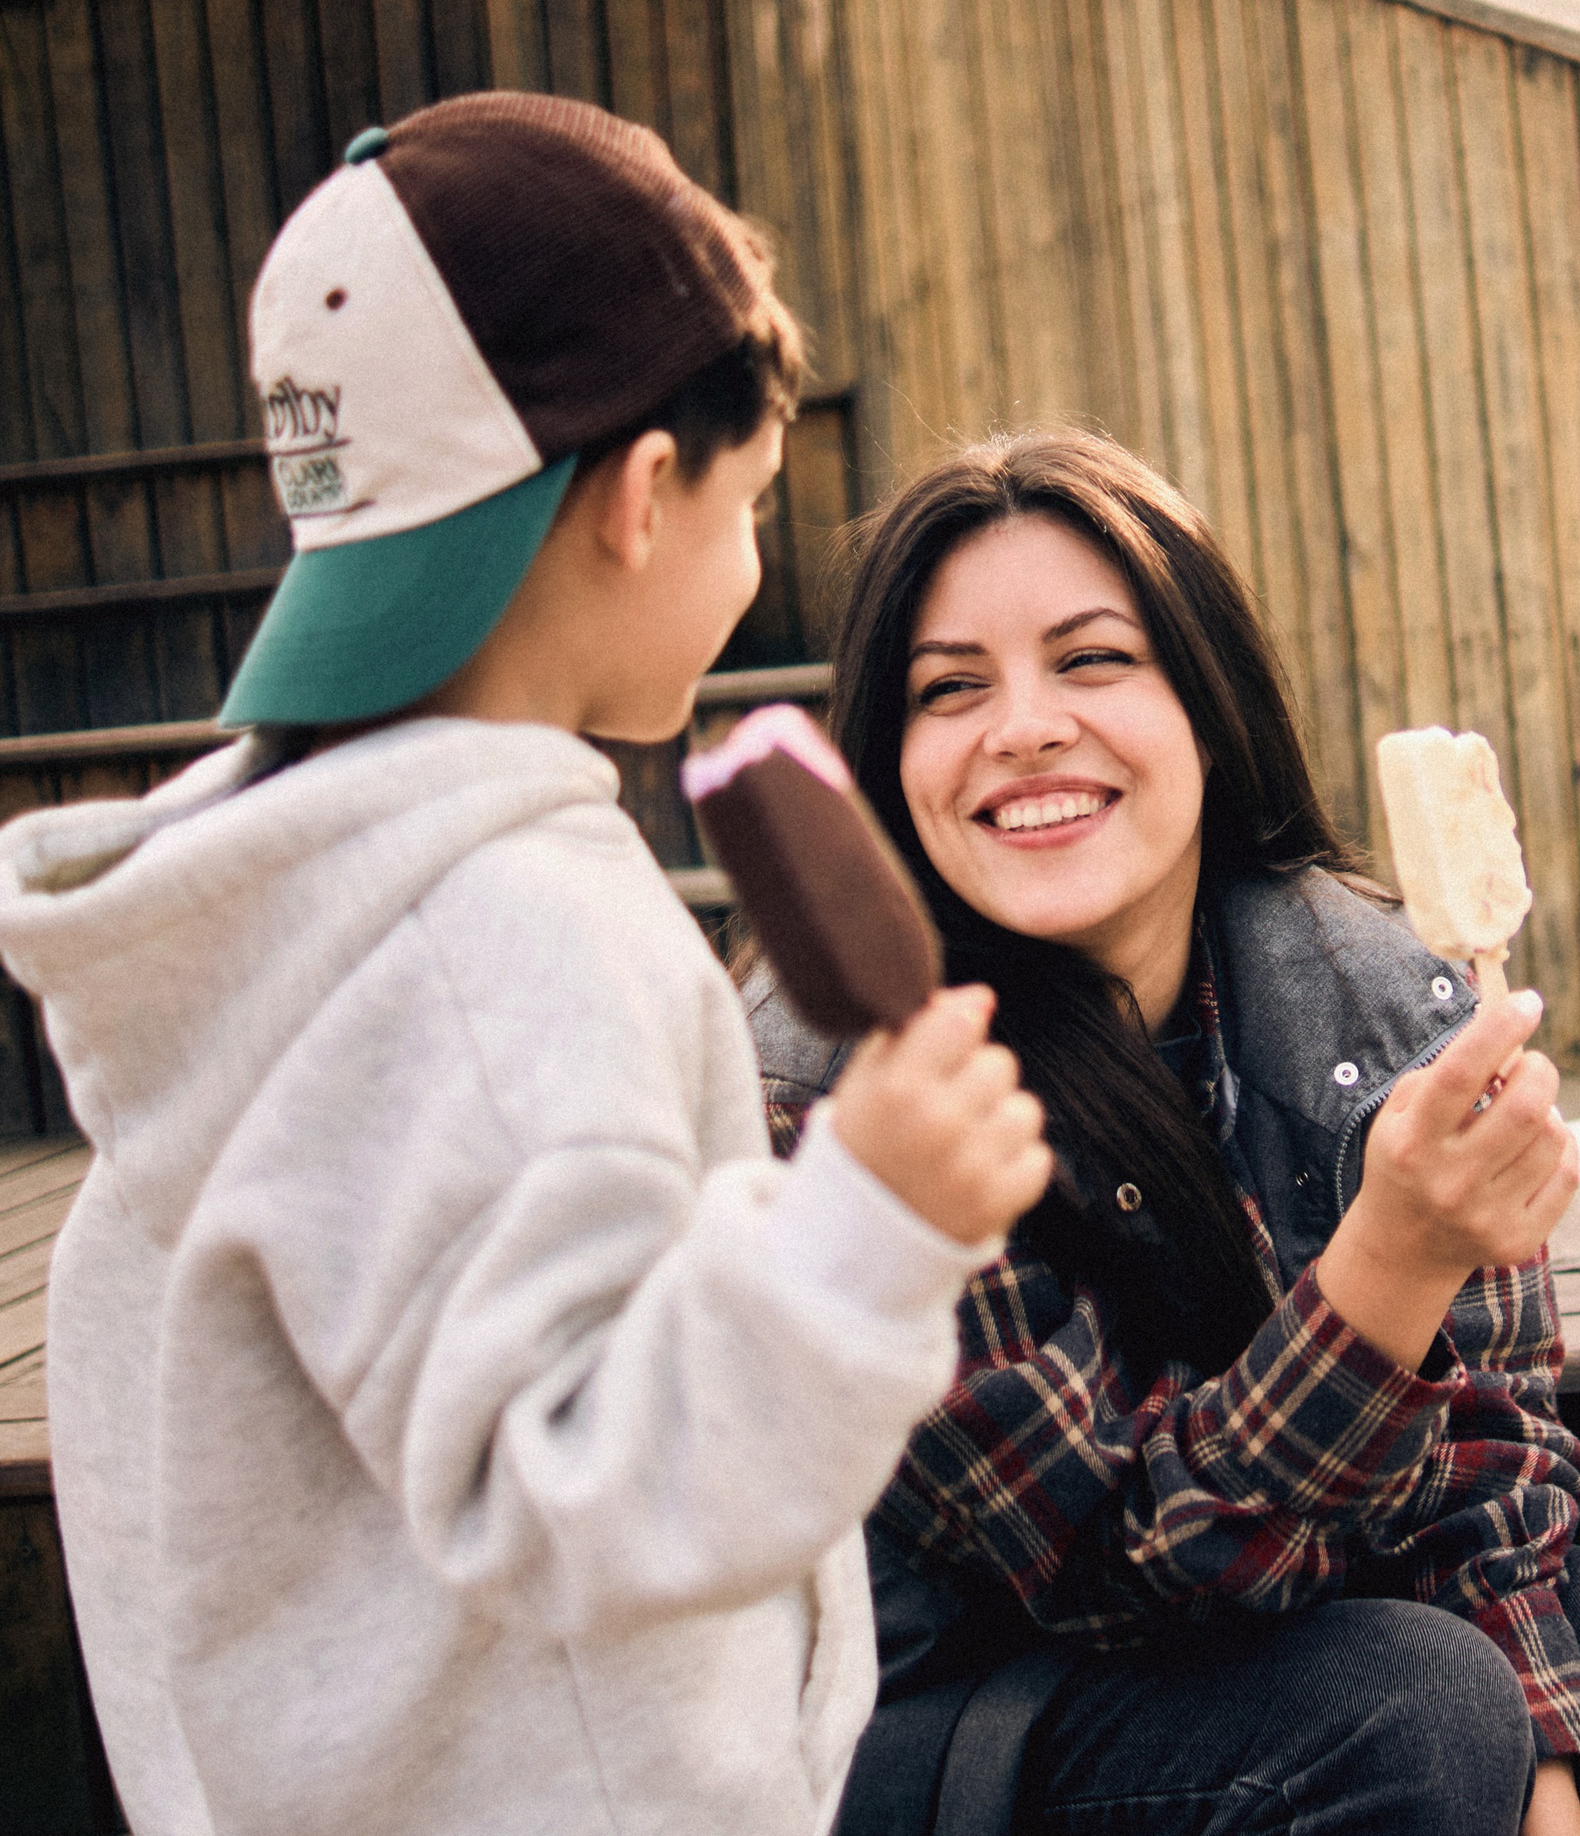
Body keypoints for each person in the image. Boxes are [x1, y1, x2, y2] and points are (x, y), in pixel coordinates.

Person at [0, 94, 1051, 1836]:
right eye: (753, 500)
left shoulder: (254, 931)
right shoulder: (507, 938)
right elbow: (583, 1480)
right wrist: (864, 1224)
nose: (754, 560)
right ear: (643, 497)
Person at [753, 430, 1580, 1836]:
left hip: (1319, 1609)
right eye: (951, 687)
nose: (1023, 725)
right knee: (1409, 1701)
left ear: (1209, 707)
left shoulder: (1383, 995)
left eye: (1092, 660)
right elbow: (1114, 1568)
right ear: (890, 757)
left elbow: (1493, 1449)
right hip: (968, 1725)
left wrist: (1548, 1779)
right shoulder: (845, 1090)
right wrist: (1394, 1260)